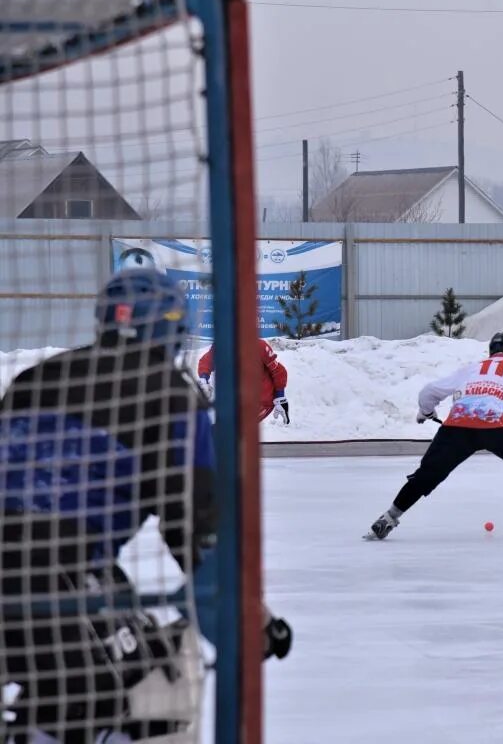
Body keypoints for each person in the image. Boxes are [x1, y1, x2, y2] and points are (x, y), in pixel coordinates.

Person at [1, 269, 291, 743]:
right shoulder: (172, 397)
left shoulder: (36, 379)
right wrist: (250, 624)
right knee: (124, 691)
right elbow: (195, 533)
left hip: (59, 568)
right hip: (56, 573)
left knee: (82, 677)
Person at [364, 331, 503, 542]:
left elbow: (429, 392)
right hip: (495, 425)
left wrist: (426, 411)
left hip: (456, 426)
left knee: (427, 475)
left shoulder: (471, 368)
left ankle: (388, 518)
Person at [197, 338, 289, 424]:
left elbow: (279, 370)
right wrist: (204, 380)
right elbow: (206, 362)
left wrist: (280, 397)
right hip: (236, 400)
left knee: (237, 427)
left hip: (261, 402)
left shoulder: (259, 346)